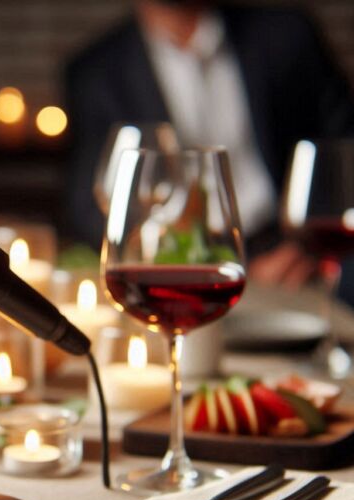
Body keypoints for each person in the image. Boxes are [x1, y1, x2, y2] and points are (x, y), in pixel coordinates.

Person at [63, 0, 354, 288]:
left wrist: (307, 251)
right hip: (177, 265)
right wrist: (168, 253)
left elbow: (343, 153)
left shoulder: (286, 34)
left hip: (291, 261)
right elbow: (90, 204)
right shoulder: (94, 71)